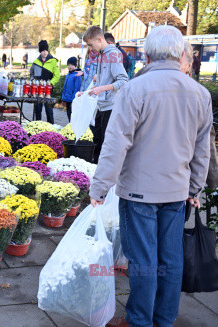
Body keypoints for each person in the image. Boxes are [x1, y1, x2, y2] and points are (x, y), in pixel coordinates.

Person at [90, 26, 212, 327]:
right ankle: (165, 318)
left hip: (139, 193)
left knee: (144, 261)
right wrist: (194, 188)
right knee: (170, 259)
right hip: (176, 192)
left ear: (146, 53)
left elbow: (116, 144)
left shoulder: (135, 89)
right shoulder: (199, 93)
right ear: (181, 53)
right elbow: (203, 150)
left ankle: (140, 320)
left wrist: (99, 187)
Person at [78, 26, 128, 163]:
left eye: (90, 45)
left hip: (111, 107)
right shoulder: (101, 54)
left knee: (106, 145)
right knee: (97, 141)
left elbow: (123, 81)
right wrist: (87, 92)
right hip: (101, 106)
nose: (90, 48)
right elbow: (102, 82)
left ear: (99, 39)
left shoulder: (113, 54)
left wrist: (102, 89)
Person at [181, 42, 218, 189]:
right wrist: (212, 181)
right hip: (182, 179)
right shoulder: (199, 95)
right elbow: (206, 142)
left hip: (143, 182)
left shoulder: (138, 88)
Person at [30, 40, 60, 124]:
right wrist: (33, 81)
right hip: (37, 91)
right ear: (40, 51)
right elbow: (31, 73)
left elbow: (57, 75)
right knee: (37, 110)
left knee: (49, 111)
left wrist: (50, 84)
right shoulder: (36, 62)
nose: (45, 52)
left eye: (46, 50)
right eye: (43, 51)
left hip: (48, 90)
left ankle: (51, 128)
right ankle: (37, 127)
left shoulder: (53, 61)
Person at [61, 57, 82, 122]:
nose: (70, 66)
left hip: (72, 100)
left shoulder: (77, 75)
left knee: (72, 116)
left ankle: (73, 129)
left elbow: (77, 89)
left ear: (75, 65)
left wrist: (74, 100)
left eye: (72, 65)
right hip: (67, 99)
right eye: (68, 65)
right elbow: (65, 88)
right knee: (68, 115)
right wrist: (63, 99)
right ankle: (70, 128)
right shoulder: (68, 75)